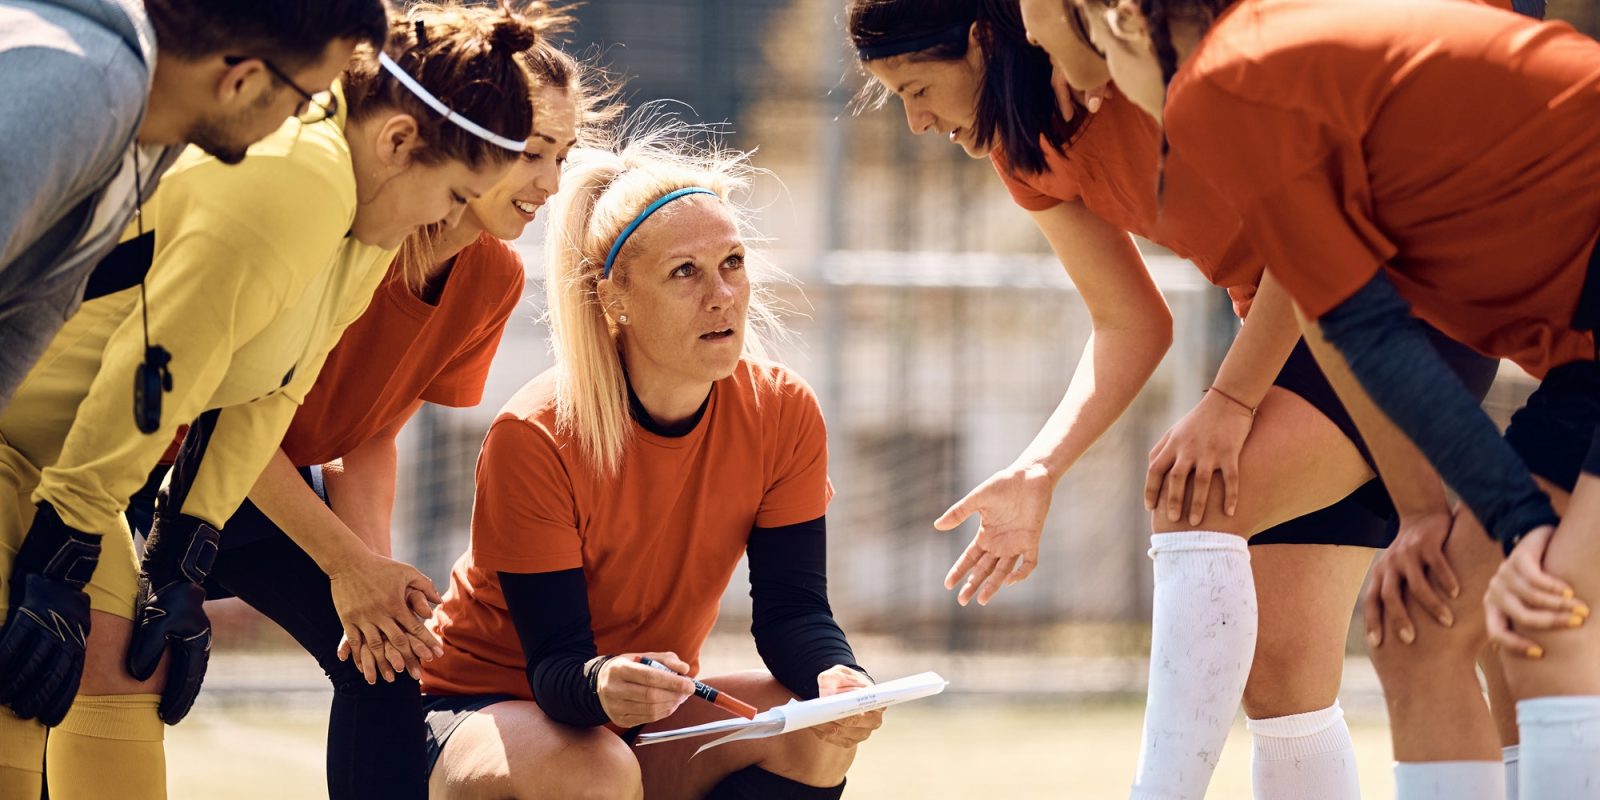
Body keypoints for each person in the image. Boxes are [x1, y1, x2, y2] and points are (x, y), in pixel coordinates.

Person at [846, 2, 1499, 798]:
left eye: (917, 87)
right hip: (1288, 323)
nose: (915, 121)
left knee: (1194, 502)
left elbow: (1321, 218)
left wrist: (1230, 401)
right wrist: (1040, 468)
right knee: (1284, 676)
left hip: (1395, 288)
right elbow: (1129, 322)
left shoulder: (1151, 59)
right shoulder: (1025, 153)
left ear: (984, 41)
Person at [0, 6, 540, 797]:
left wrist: (181, 550)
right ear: (396, 143)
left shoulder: (366, 227)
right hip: (23, 452)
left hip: (63, 465)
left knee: (122, 667)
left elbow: (268, 394)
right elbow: (155, 367)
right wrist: (58, 557)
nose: (455, 223)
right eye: (456, 195)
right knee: (22, 696)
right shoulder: (299, 180)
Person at [1079, 0, 1600, 796]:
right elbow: (1351, 329)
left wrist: (1519, 522)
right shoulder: (1254, 70)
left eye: (1073, 35)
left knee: (1546, 621)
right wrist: (1450, 513)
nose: (1086, 79)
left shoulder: (1224, 79)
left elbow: (1371, 333)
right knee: (1420, 626)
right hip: (1584, 357)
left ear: (1120, 20)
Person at [136, 30, 606, 800]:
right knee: (108, 665)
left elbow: (374, 432)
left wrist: (375, 589)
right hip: (166, 465)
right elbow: (229, 420)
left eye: (564, 152)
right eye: (531, 151)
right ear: (463, 132)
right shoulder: (350, 227)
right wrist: (346, 565)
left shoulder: (490, 275)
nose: (551, 180)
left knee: (386, 666)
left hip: (271, 495)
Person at [419, 126, 883, 800]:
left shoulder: (783, 410)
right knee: (598, 772)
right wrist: (603, 684)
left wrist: (839, 677)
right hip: (490, 701)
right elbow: (556, 666)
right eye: (683, 272)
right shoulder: (537, 432)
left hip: (639, 710)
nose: (721, 294)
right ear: (615, 300)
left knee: (812, 731)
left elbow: (793, 612)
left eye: (732, 261)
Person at [0, 0, 390, 412]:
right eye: (306, 98)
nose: (304, 116)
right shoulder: (79, 93)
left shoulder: (155, 125)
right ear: (242, 80)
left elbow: (24, 325)